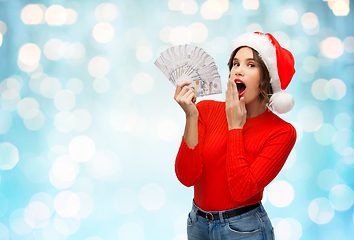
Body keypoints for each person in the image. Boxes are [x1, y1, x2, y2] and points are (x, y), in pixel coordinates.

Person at [173, 32, 297, 240]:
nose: (239, 70)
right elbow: (186, 177)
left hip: (244, 229)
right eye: (235, 63)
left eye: (251, 65)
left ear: (266, 78)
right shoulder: (205, 110)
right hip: (198, 225)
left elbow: (241, 190)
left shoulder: (282, 132)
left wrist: (235, 128)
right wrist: (191, 117)